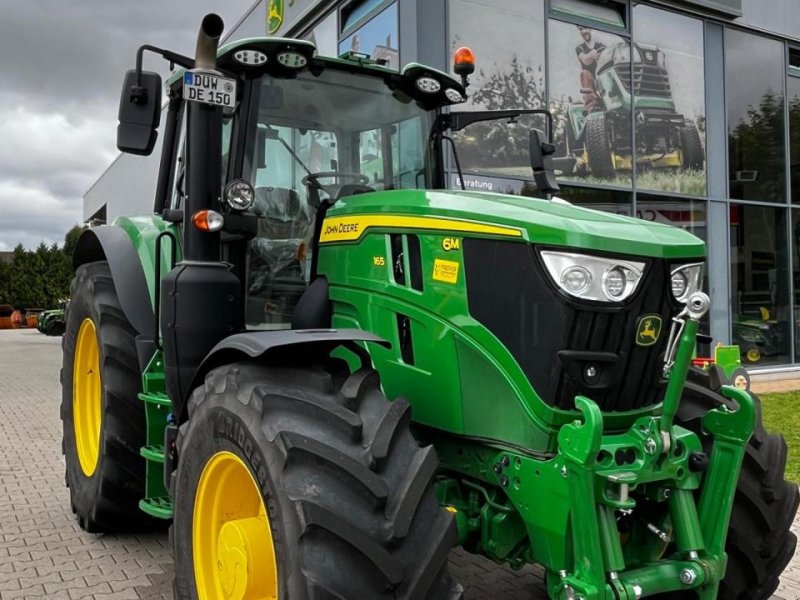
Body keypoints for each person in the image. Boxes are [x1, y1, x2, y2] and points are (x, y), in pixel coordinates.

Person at [575, 26, 605, 111]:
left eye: (586, 28)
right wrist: (592, 54)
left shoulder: (601, 45)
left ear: (591, 29)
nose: (584, 31)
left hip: (601, 82)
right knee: (584, 73)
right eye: (581, 29)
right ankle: (590, 107)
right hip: (589, 85)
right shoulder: (580, 48)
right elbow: (585, 60)